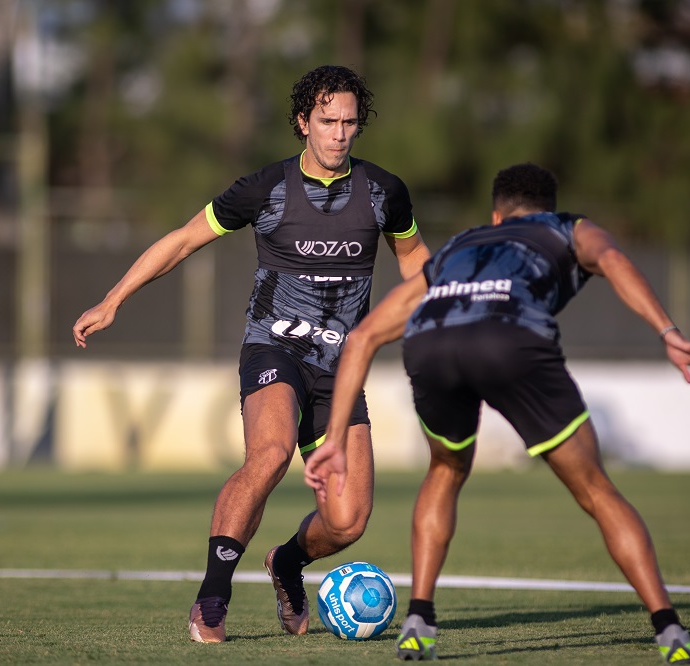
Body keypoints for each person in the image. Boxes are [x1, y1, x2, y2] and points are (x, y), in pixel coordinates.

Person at [304, 162, 690, 663]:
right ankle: (669, 630)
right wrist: (668, 331)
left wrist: (334, 440)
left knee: (445, 469)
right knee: (596, 490)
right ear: (549, 209)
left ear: (496, 216)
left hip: (432, 345)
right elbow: (611, 258)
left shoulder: (460, 245)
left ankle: (418, 621)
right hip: (511, 339)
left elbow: (363, 337)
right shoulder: (566, 228)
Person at [72, 65, 430, 643]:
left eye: (349, 123)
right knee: (270, 454)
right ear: (303, 122)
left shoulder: (385, 191)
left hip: (341, 368)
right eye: (328, 121)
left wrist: (441, 315)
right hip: (274, 347)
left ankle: (287, 562)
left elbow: (415, 262)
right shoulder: (266, 188)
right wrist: (113, 300)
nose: (339, 134)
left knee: (348, 521)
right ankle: (212, 599)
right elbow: (183, 240)